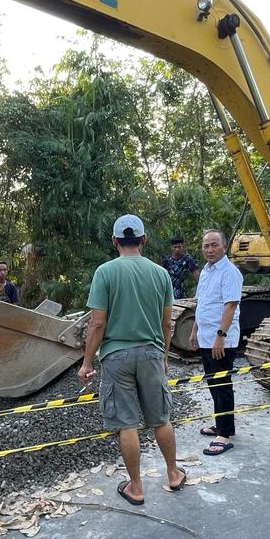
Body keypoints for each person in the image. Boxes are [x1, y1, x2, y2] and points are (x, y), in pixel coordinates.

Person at [78, 214, 187, 505]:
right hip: (151, 353)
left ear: (114, 240)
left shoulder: (105, 272)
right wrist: (164, 356)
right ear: (143, 240)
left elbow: (97, 323)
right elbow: (167, 323)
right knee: (161, 418)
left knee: (127, 424)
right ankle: (173, 473)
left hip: (116, 356)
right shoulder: (160, 274)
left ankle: (136, 487)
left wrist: (87, 362)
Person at [190, 229, 243, 455]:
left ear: (224, 247)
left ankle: (224, 434)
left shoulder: (229, 272)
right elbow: (201, 303)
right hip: (205, 337)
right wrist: (195, 330)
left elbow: (230, 306)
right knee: (212, 383)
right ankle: (221, 424)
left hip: (221, 340)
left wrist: (220, 337)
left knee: (222, 385)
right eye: (206, 246)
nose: (209, 250)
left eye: (214, 245)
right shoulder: (206, 271)